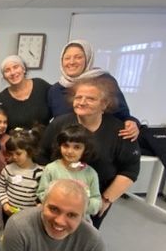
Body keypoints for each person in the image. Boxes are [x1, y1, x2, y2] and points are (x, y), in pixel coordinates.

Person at [38, 77, 140, 229]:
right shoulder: (59, 124)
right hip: (57, 199)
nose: (82, 102)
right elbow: (42, 156)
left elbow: (130, 169)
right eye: (78, 97)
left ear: (104, 104)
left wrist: (105, 200)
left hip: (95, 199)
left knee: (84, 236)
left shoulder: (120, 131)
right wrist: (45, 195)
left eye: (90, 98)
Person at [48, 39, 139, 141]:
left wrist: (131, 122)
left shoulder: (104, 81)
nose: (71, 62)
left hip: (103, 142)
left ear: (88, 59)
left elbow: (123, 115)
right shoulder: (55, 89)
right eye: (67, 58)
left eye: (78, 57)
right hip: (68, 145)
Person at [37, 124, 102, 216]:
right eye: (66, 146)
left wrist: (77, 206)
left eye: (77, 147)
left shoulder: (91, 174)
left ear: (85, 149)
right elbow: (41, 193)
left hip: (80, 219)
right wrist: (60, 204)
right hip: (53, 215)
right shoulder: (51, 169)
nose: (70, 151)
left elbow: (96, 202)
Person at [0, 55, 51, 130]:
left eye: (15, 67)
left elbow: (57, 107)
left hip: (47, 136)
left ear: (23, 69)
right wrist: (3, 135)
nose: (12, 72)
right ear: (4, 77)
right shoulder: (0, 101)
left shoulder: (41, 86)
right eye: (7, 70)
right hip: (17, 137)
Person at [0, 127, 44, 216]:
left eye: (18, 153)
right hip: (10, 214)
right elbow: (1, 187)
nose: (14, 157)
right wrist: (5, 203)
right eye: (11, 154)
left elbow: (42, 194)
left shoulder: (40, 172)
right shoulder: (8, 169)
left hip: (29, 216)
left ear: (30, 151)